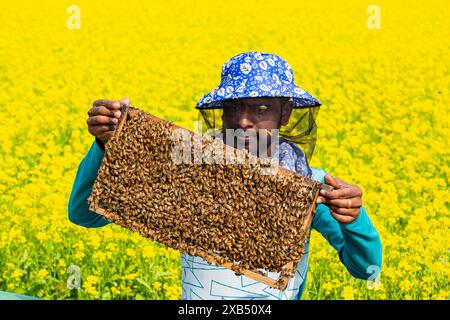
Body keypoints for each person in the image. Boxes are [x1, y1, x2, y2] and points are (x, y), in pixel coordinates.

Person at [68, 51, 382, 300]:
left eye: (261, 108)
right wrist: (105, 145)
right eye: (234, 108)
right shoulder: (191, 171)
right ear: (222, 112)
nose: (244, 121)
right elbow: (85, 214)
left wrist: (353, 220)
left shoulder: (308, 183)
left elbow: (366, 270)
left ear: (285, 113)